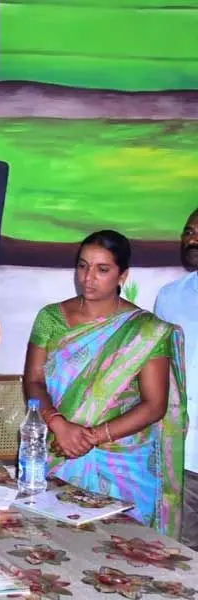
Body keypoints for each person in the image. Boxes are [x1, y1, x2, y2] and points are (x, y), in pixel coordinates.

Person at [24, 230, 187, 537]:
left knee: (123, 552)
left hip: (124, 462)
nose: (88, 278)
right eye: (83, 266)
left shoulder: (146, 330)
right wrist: (60, 425)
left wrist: (90, 437)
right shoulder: (51, 318)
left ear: (122, 275)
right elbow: (33, 381)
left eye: (102, 269)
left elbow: (155, 405)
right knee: (55, 546)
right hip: (59, 448)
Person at [154, 208, 198, 546]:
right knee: (181, 556)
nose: (192, 239)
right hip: (185, 457)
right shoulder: (170, 298)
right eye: (188, 231)